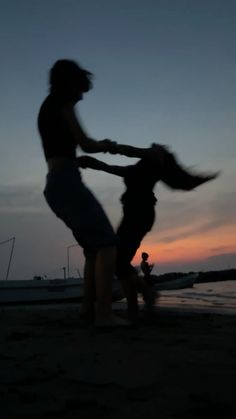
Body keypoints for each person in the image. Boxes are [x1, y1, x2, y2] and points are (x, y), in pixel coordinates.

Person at [37, 59, 166, 327]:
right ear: (69, 82)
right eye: (80, 89)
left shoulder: (46, 109)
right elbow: (86, 144)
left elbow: (70, 149)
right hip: (67, 182)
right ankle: (105, 314)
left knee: (92, 250)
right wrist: (108, 145)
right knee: (107, 243)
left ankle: (87, 309)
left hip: (55, 184)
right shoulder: (62, 102)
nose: (82, 96)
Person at [78, 150, 219, 320]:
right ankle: (143, 297)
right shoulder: (137, 169)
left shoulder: (147, 169)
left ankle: (138, 303)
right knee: (120, 262)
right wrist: (95, 163)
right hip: (134, 216)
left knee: (120, 262)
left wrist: (99, 160)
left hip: (139, 216)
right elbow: (114, 167)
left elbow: (121, 162)